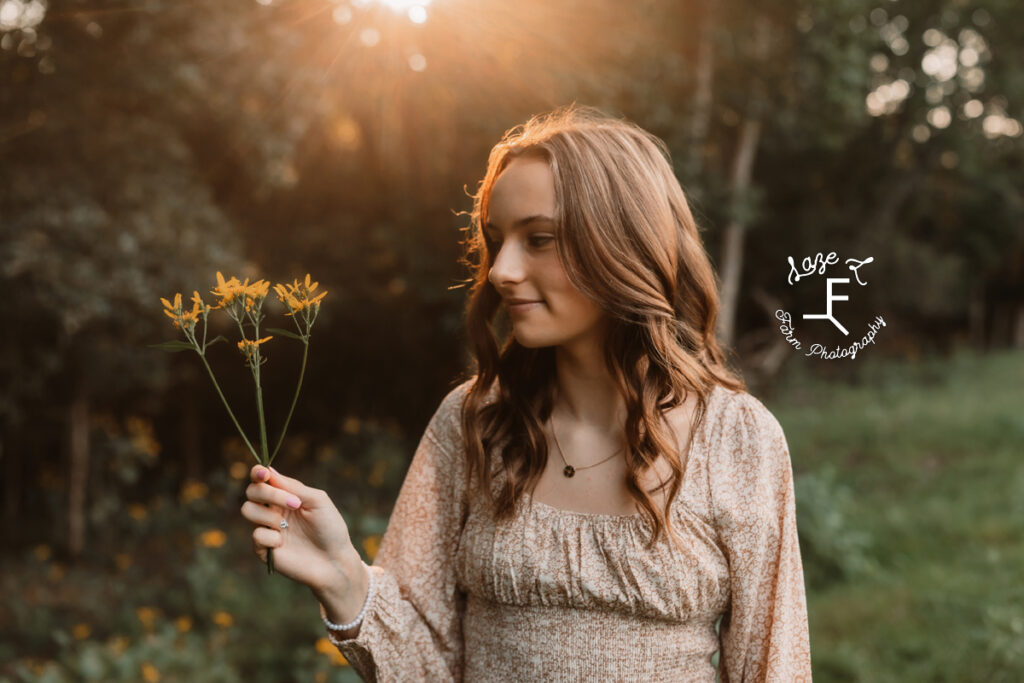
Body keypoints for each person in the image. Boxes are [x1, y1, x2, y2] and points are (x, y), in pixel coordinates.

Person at [241, 105, 813, 682]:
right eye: (497, 240)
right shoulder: (473, 421)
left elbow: (774, 667)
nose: (500, 270)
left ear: (625, 244)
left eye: (539, 238)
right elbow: (427, 668)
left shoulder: (739, 437)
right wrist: (343, 577)